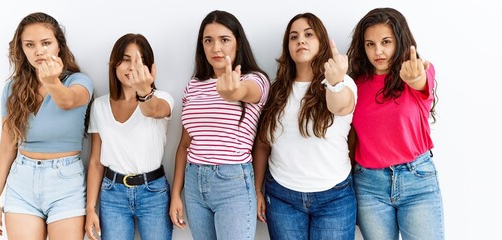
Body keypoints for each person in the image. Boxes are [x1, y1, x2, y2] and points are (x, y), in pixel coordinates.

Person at [0, 12, 93, 239]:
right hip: (22, 181)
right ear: (21, 49)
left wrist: (51, 81)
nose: (39, 51)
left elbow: (67, 101)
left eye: (46, 43)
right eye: (30, 45)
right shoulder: (12, 89)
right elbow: (6, 147)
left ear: (58, 46)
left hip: (66, 183)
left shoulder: (79, 81)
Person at [252, 13, 357, 240]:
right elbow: (262, 144)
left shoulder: (342, 83)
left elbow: (340, 106)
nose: (301, 41)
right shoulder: (277, 90)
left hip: (334, 197)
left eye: (309, 35)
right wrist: (257, 189)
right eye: (294, 37)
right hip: (282, 197)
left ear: (321, 41)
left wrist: (335, 81)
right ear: (287, 46)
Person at [169, 10, 270, 240]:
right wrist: (177, 193)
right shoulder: (193, 86)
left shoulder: (254, 80)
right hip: (194, 181)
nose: (216, 48)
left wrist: (232, 91)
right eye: (208, 40)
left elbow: (247, 92)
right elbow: (185, 144)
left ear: (238, 43)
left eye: (224, 40)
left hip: (232, 182)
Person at [346, 7, 443, 240]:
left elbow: (421, 81)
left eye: (386, 42)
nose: (378, 51)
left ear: (400, 42)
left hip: (417, 180)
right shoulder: (355, 85)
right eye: (370, 44)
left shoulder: (418, 71)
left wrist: (415, 78)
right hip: (369, 185)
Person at [83, 33, 174, 240]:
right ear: (114, 64)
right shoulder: (100, 106)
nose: (132, 67)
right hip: (112, 192)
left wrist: (144, 91)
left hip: (153, 192)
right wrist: (90, 208)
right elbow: (96, 162)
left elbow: (154, 110)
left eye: (140, 60)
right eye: (125, 59)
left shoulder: (162, 99)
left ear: (150, 68)